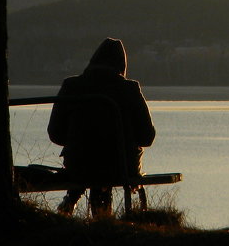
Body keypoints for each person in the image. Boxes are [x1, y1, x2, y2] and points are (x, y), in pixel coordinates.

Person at [47, 37, 155, 216]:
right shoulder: (129, 89)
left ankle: (72, 201)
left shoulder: (71, 86)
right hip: (120, 166)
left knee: (91, 165)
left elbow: (55, 133)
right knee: (106, 165)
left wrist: (80, 139)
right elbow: (147, 137)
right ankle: (103, 221)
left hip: (78, 166)